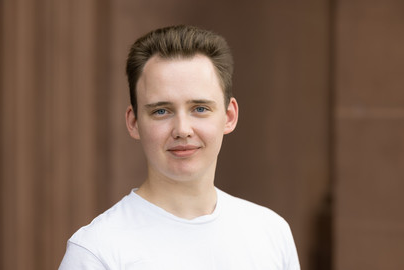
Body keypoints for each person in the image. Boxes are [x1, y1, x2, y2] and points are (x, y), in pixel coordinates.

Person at [59, 25, 300, 270]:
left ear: (229, 116)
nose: (182, 129)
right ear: (134, 123)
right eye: (161, 111)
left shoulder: (271, 232)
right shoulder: (96, 251)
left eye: (200, 109)